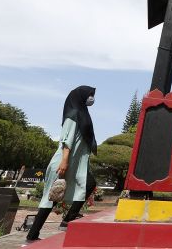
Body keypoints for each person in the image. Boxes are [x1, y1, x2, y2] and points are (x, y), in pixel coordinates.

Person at [26, 86, 98, 242]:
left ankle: (68, 219)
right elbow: (67, 139)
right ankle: (32, 234)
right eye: (90, 95)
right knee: (51, 197)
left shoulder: (82, 113)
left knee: (89, 183)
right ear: (81, 96)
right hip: (64, 161)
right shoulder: (73, 115)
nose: (92, 98)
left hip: (76, 163)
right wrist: (64, 161)